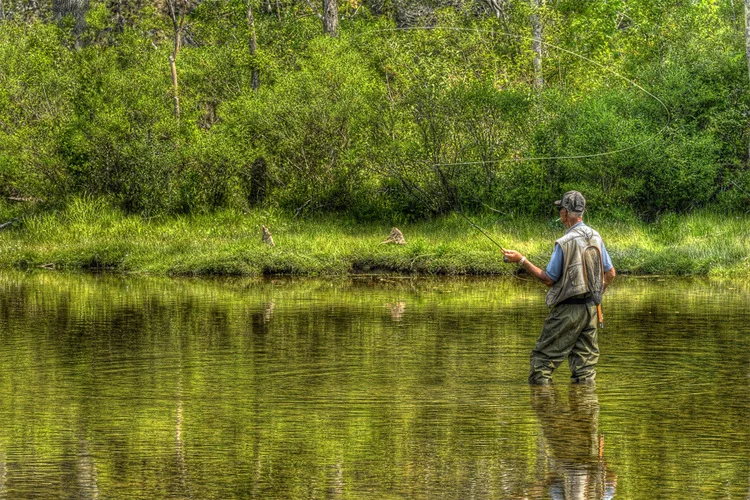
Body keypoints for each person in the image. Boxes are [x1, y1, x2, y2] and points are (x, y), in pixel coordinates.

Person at [503, 191, 616, 384]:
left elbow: (548, 279)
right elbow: (611, 273)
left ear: (564, 213)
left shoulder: (564, 242)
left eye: (560, 209)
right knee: (585, 368)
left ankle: (546, 408)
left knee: (542, 362)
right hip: (591, 310)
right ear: (581, 211)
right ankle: (585, 410)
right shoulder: (596, 236)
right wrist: (596, 295)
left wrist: (521, 260)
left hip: (568, 309)